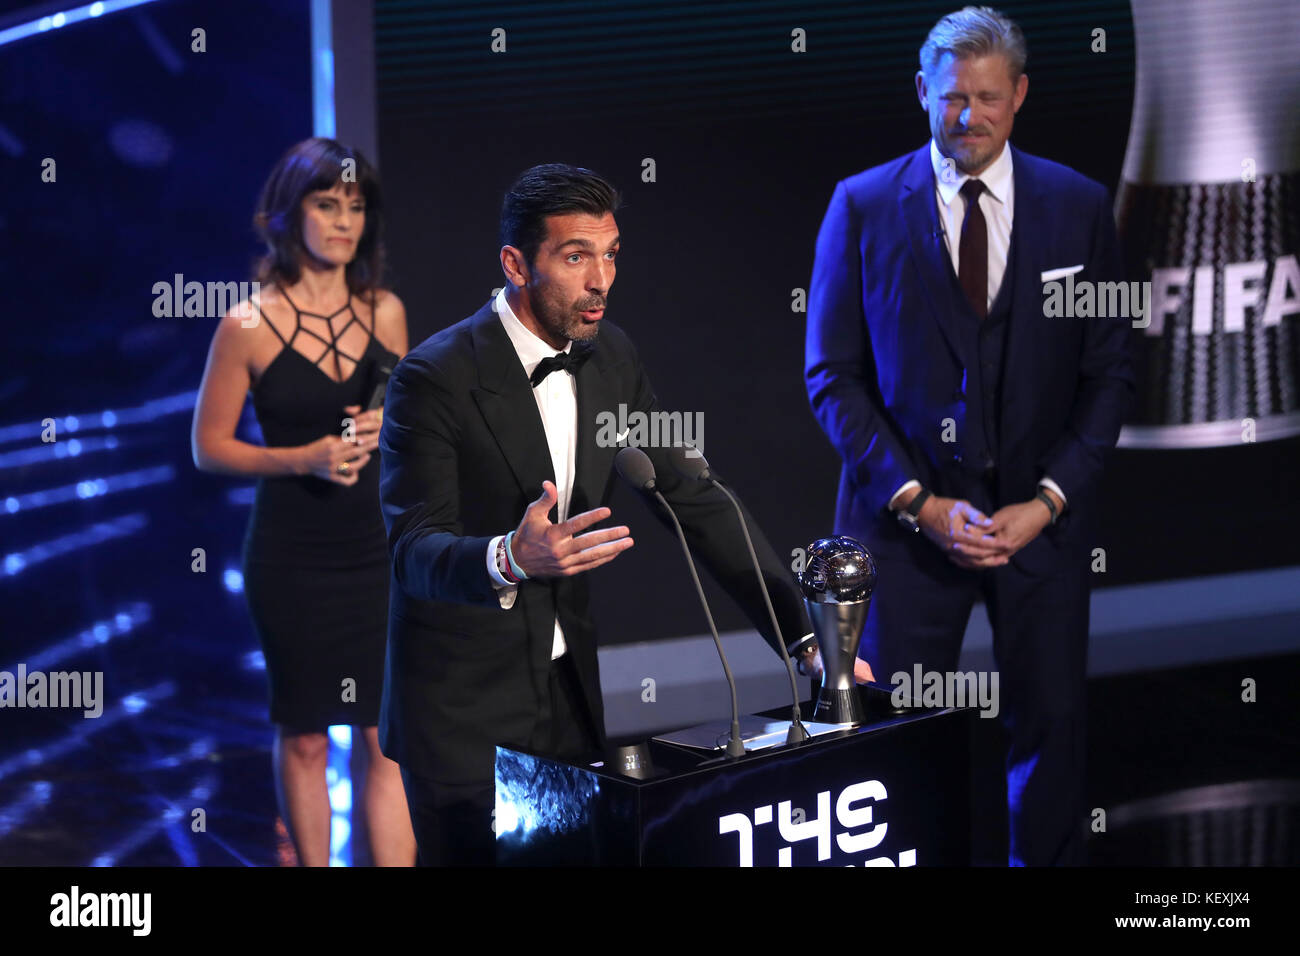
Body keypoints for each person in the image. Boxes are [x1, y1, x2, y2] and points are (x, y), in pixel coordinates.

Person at [378, 163, 819, 866]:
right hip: (461, 712)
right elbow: (413, 550)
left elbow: (694, 496)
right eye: (575, 255)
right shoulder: (435, 378)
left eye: (611, 253)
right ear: (516, 263)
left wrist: (804, 636)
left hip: (568, 696)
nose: (601, 279)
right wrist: (511, 557)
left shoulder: (611, 356)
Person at [804, 6, 1134, 866]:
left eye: (988, 97)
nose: (969, 117)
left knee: (1052, 730)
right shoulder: (864, 206)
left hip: (1041, 526)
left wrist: (1049, 501)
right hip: (905, 528)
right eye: (953, 98)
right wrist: (920, 503)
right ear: (923, 93)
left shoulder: (1078, 206)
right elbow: (831, 378)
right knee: (888, 743)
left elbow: (1110, 373)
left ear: (1018, 96)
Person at [192, 137, 415, 866]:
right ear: (291, 213)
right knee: (308, 734)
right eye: (327, 204)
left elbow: (405, 429)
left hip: (373, 551)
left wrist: (389, 429)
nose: (344, 221)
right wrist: (304, 457)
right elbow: (210, 447)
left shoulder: (385, 312)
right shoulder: (246, 323)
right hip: (292, 556)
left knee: (386, 739)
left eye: (355, 206)